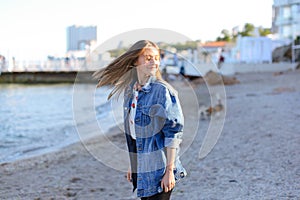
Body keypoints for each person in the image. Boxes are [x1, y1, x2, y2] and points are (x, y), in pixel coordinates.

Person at [93, 40, 186, 200]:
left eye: (156, 58)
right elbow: (134, 134)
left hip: (160, 168)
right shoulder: (131, 90)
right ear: (135, 60)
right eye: (148, 58)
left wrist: (169, 171)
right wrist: (134, 164)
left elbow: (173, 134)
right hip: (142, 166)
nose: (154, 62)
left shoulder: (162, 91)